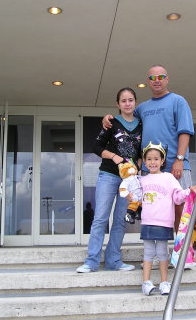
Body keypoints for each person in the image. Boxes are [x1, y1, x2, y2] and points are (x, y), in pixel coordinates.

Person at [103, 65, 195, 231]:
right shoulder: (142, 108)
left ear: (167, 79)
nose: (157, 81)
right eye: (153, 78)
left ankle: (185, 254)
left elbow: (185, 132)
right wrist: (109, 118)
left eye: (161, 77)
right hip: (149, 169)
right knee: (155, 211)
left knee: (181, 211)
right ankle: (161, 252)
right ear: (148, 82)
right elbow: (127, 118)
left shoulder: (178, 101)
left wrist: (179, 160)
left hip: (175, 166)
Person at [76, 87, 142, 273]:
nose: (127, 103)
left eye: (130, 100)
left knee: (120, 221)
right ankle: (91, 261)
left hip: (128, 180)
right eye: (123, 101)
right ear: (117, 104)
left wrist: (136, 168)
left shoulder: (141, 124)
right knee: (100, 218)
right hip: (108, 175)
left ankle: (114, 261)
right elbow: (96, 146)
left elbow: (140, 152)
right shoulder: (111, 122)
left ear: (135, 102)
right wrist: (114, 157)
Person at [138, 142, 196, 296]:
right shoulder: (141, 180)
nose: (152, 162)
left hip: (163, 223)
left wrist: (190, 190)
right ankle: (146, 283)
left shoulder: (168, 178)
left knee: (162, 253)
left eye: (156, 159)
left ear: (162, 161)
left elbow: (177, 198)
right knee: (147, 253)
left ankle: (164, 283)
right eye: (149, 159)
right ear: (145, 161)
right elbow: (135, 199)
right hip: (147, 222)